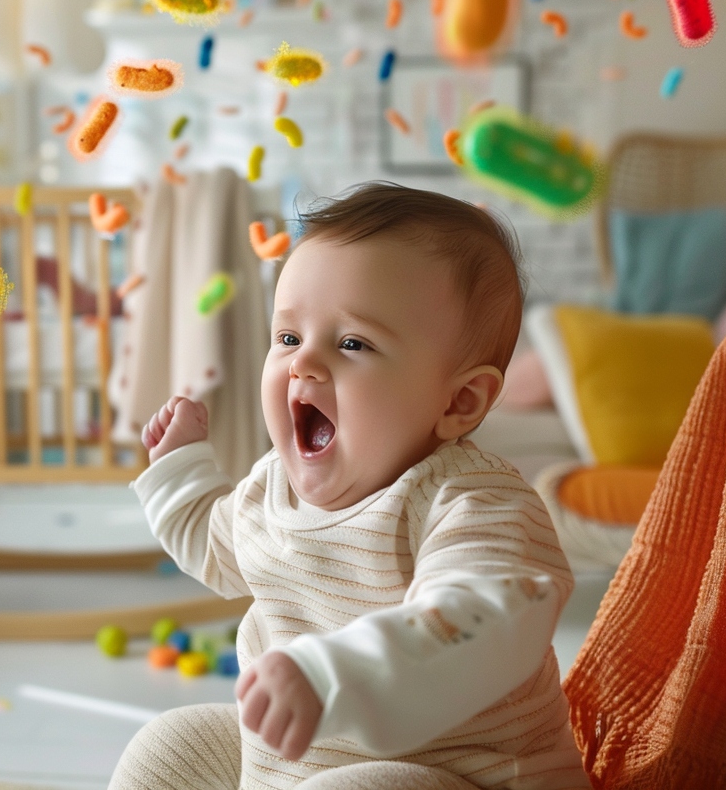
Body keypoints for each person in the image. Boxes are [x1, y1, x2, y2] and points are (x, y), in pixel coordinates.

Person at [109, 182, 588, 790]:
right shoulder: (272, 489)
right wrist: (179, 470)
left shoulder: (472, 503)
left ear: (460, 401)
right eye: (288, 338)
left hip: (454, 774)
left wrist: (330, 676)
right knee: (171, 747)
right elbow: (216, 548)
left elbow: (481, 621)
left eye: (352, 344)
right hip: (298, 764)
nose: (302, 364)